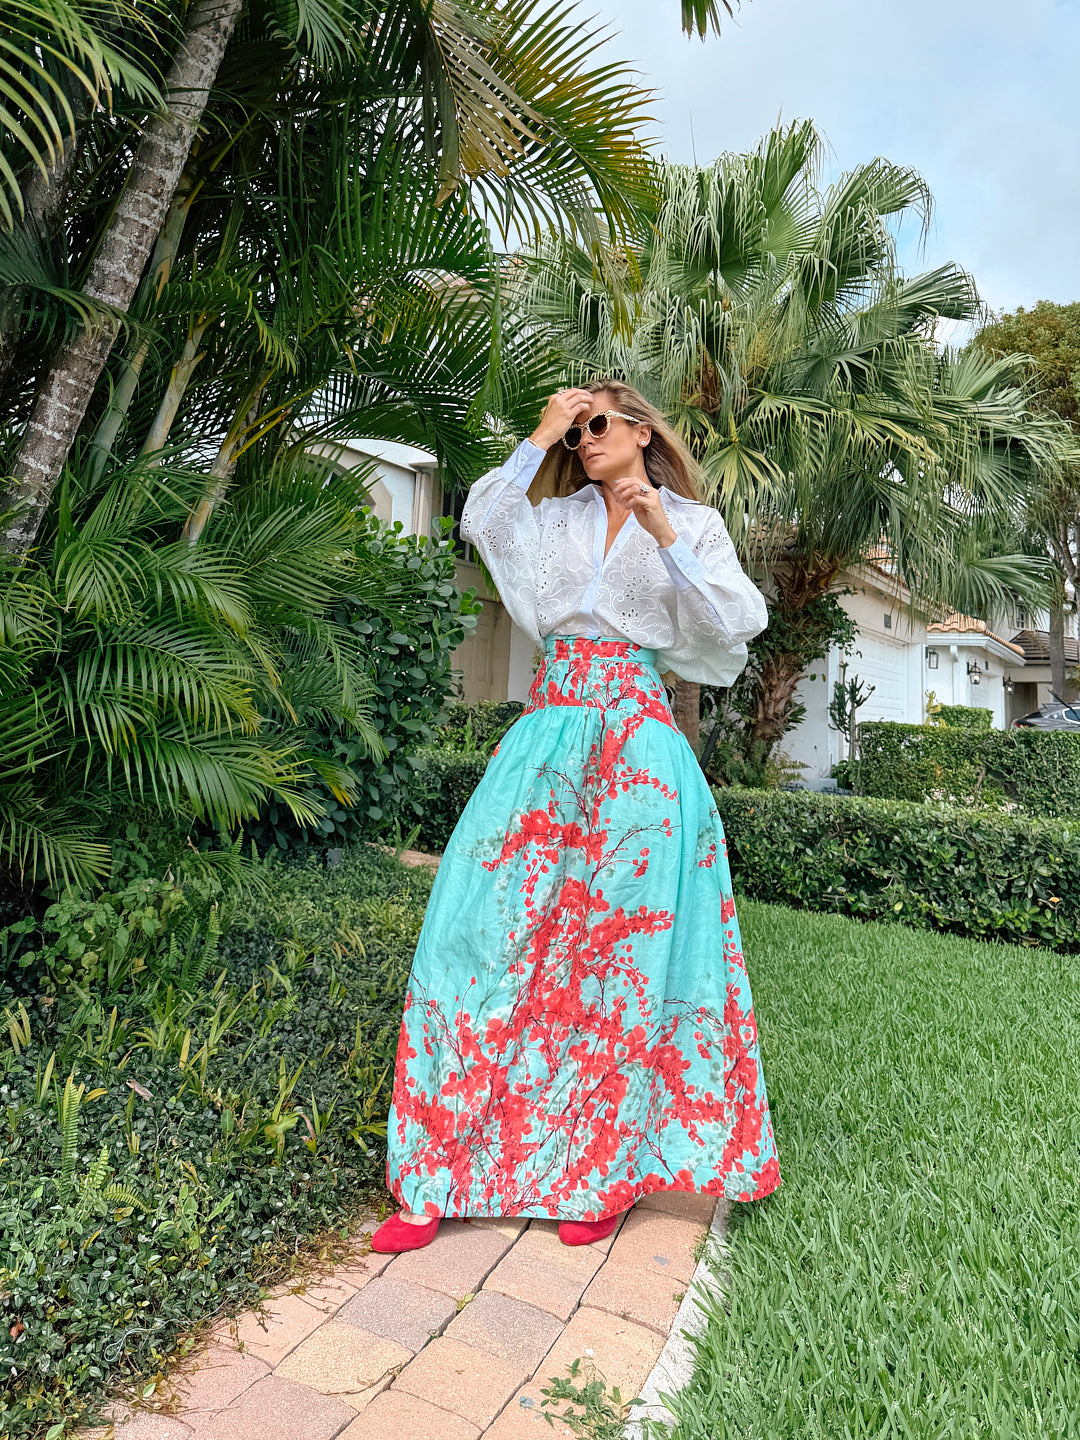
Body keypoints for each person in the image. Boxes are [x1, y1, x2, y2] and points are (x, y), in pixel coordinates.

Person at [371, 379, 781, 1255]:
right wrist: (541, 433)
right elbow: (482, 519)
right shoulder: (552, 518)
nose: (583, 439)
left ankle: (601, 1172)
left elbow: (737, 621)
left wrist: (664, 531)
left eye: (596, 424)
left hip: (640, 750)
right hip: (548, 735)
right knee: (479, 932)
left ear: (640, 431)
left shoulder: (693, 524)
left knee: (621, 960)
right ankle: (433, 1174)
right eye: (575, 430)